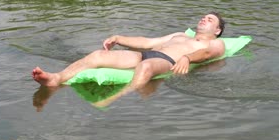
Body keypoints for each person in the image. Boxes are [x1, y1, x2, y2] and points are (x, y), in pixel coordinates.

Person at [32, 12, 226, 89]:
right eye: (203, 17)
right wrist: (118, 38)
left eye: (210, 20)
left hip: (167, 61)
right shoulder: (180, 35)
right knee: (98, 55)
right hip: (145, 54)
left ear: (217, 30)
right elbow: (148, 41)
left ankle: (125, 96)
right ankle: (56, 78)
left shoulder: (217, 44)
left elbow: (208, 54)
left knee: (147, 66)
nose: (204, 19)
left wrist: (187, 58)